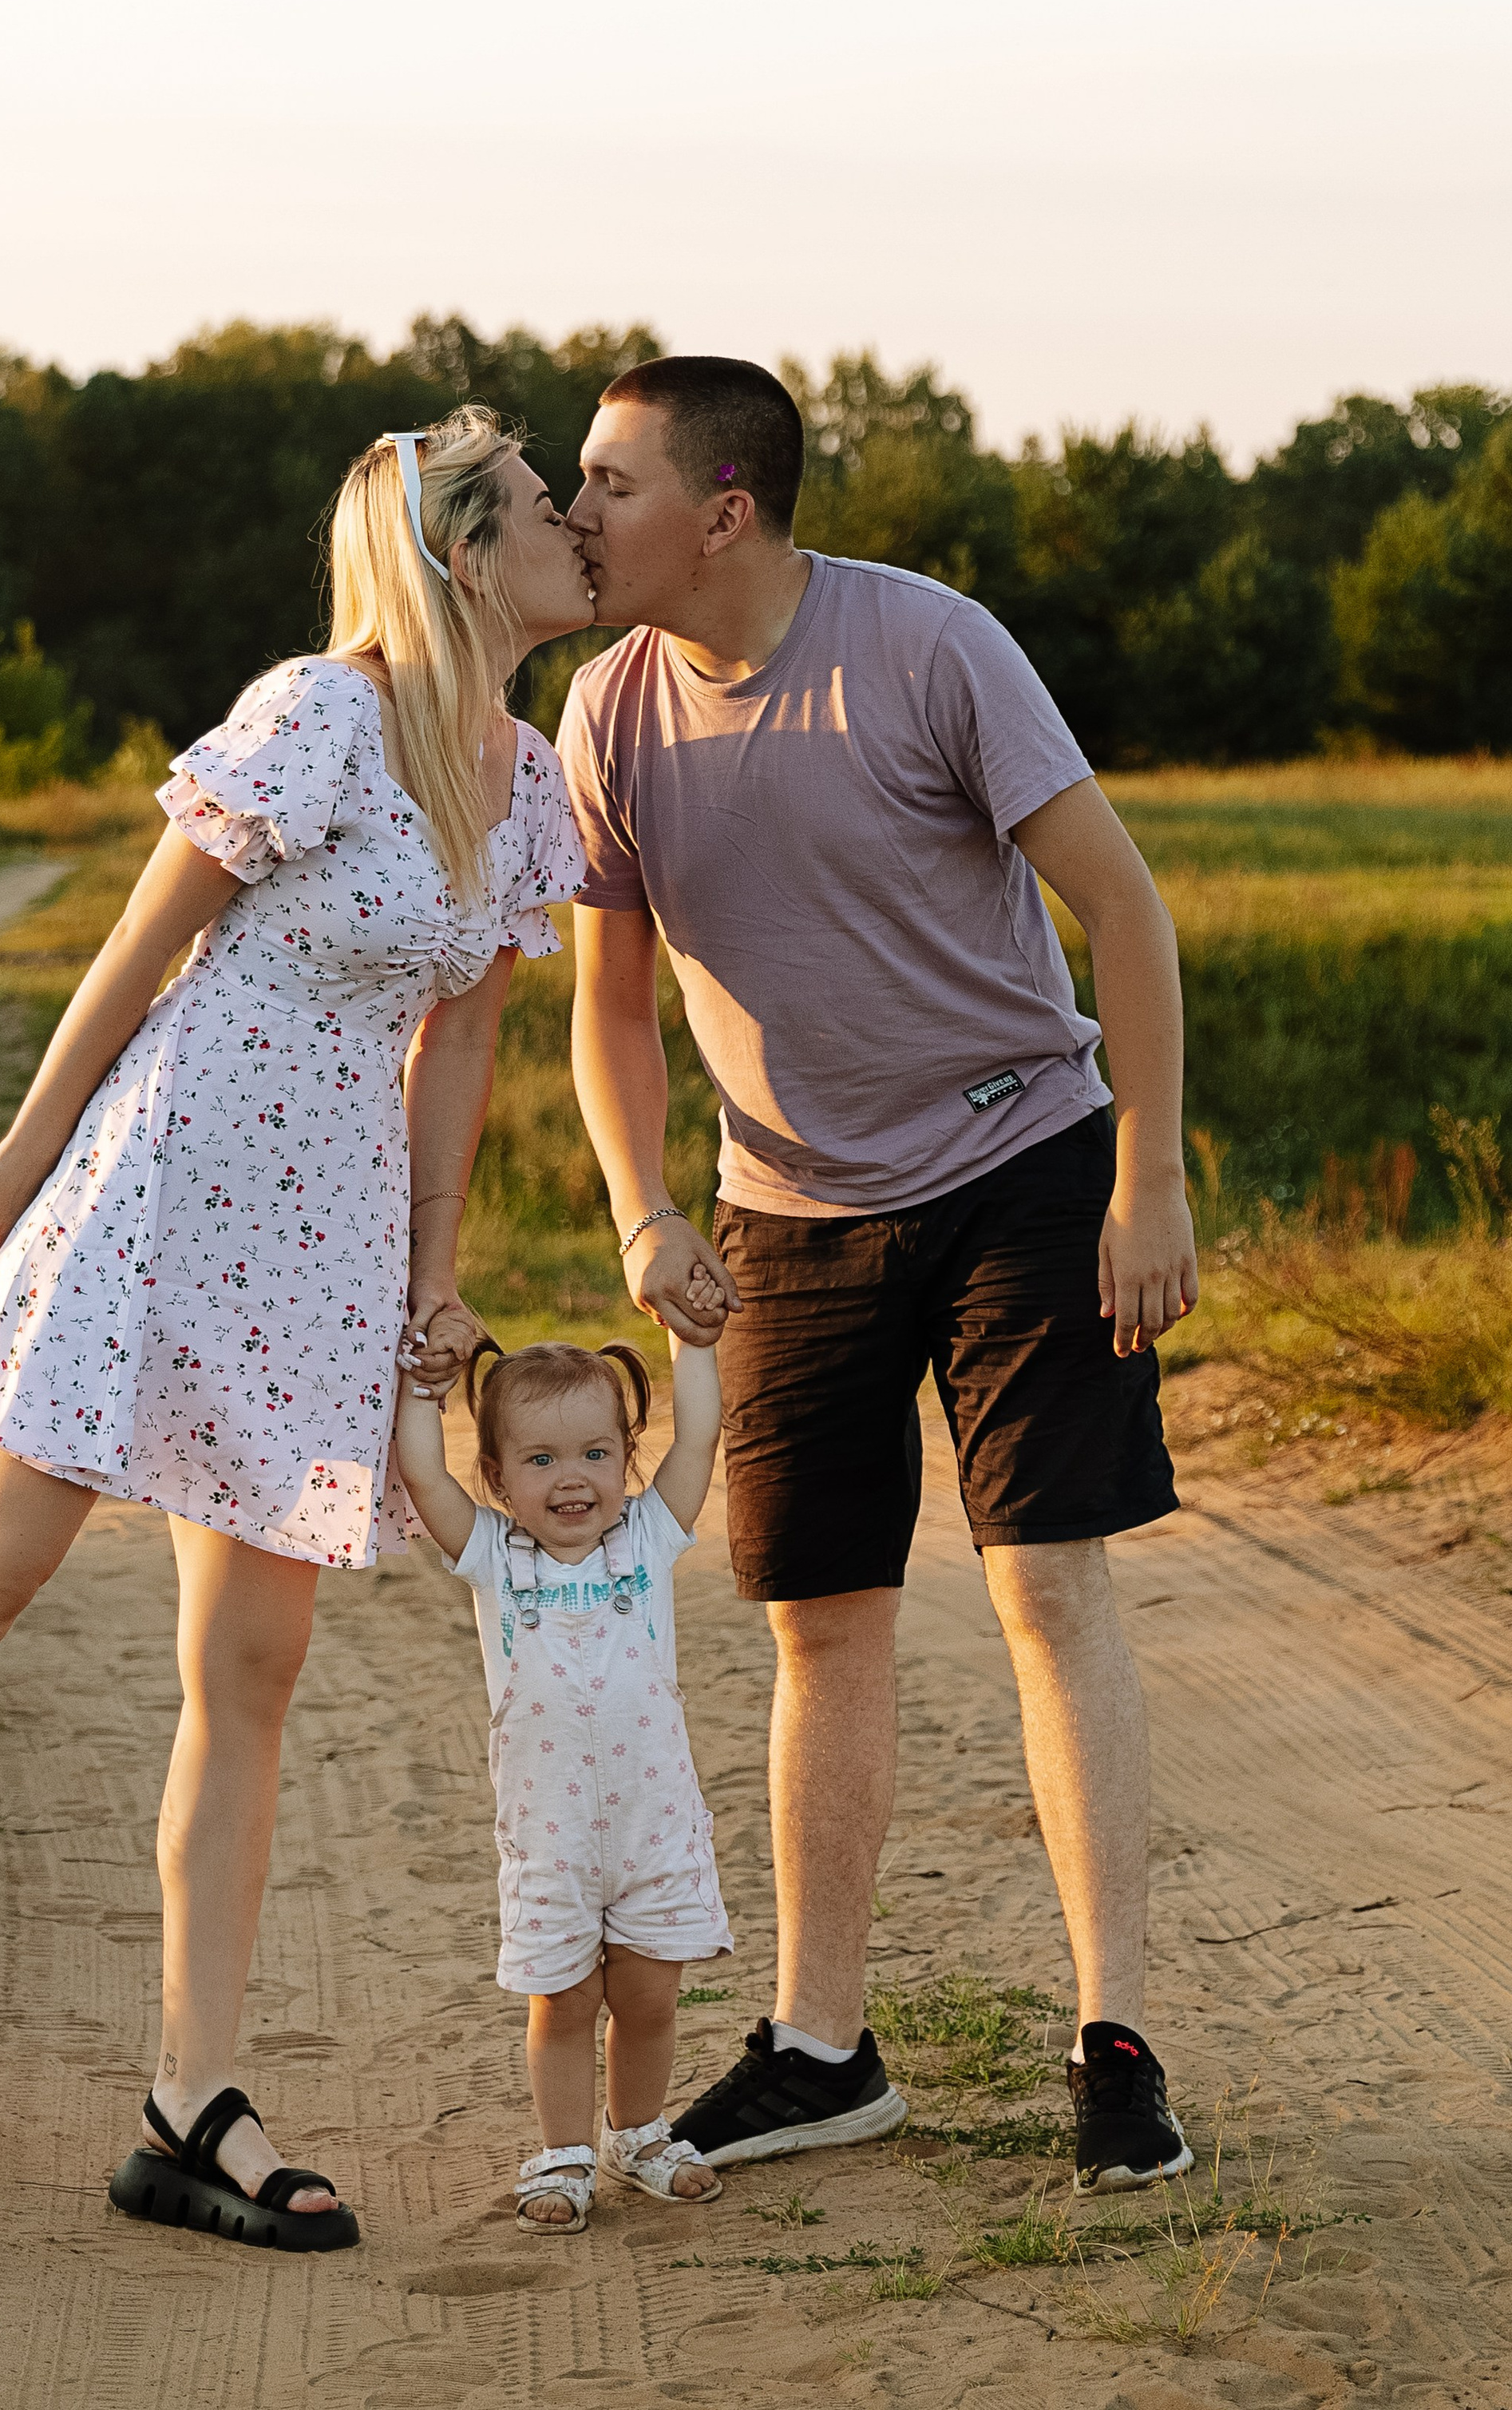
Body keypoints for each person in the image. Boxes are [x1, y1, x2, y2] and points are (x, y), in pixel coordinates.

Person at [0, 406, 591, 2263]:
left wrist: (431, 1280)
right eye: (539, 505)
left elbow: (459, 1041)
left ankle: (192, 2097)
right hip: (160, 1194)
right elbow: (138, 948)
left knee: (253, 1663)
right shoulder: (319, 713)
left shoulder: (524, 781)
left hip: (325, 1247)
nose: (574, 524)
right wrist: (21, 1159)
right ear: (460, 552)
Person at [556, 355, 1200, 2196]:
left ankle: (1112, 2040)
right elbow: (611, 1005)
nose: (576, 514)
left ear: (721, 511)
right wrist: (641, 1207)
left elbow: (1122, 906)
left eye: (607, 483)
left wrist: (1145, 1177)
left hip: (1021, 1166)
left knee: (1041, 1586)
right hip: (786, 1210)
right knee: (817, 1619)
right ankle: (820, 2048)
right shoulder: (606, 711)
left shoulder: (926, 647)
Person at [394, 1328, 757, 2233]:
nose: (573, 1478)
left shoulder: (646, 1539)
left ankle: (637, 2134)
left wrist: (691, 1340)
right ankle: (563, 2152)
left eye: (597, 1453)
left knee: (648, 1997)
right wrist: (422, 1384)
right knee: (562, 2001)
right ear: (497, 1476)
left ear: (626, 1457)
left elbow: (700, 1437)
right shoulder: (493, 1556)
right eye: (541, 1458)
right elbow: (422, 1474)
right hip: (549, 1839)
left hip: (652, 1829)